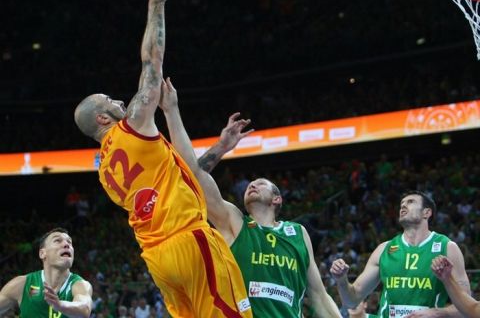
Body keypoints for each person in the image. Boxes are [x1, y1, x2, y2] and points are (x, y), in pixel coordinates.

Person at [73, 0, 252, 317]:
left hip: (158, 260)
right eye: (109, 100)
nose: (117, 100)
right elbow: (151, 62)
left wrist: (220, 149)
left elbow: (185, 173)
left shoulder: (105, 174)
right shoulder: (132, 126)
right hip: (188, 240)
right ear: (102, 118)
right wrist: (156, 4)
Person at [159, 78, 342, 317]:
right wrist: (173, 111)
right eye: (250, 184)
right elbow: (192, 176)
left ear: (277, 199)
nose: (252, 184)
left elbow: (318, 295)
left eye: (262, 184)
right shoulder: (235, 222)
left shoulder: (298, 233)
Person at [330, 190, 471, 317]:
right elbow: (351, 301)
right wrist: (341, 280)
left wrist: (438, 312)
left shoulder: (447, 248)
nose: (403, 206)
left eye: (410, 202)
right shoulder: (384, 249)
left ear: (426, 213)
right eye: (402, 204)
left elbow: (467, 308)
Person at [0, 228, 92, 317]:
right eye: (57, 241)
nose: (66, 244)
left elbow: (85, 309)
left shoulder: (80, 285)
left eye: (69, 242)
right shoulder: (21, 284)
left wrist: (60, 305)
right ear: (42, 253)